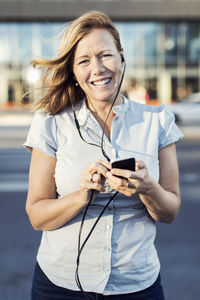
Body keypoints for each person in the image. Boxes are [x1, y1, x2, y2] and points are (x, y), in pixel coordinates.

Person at [24, 10, 183, 300]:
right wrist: (81, 196)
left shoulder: (158, 121)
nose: (97, 68)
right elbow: (36, 215)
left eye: (105, 55)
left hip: (137, 286)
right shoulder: (51, 122)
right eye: (84, 61)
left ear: (121, 56)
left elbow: (170, 212)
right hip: (59, 287)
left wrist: (147, 188)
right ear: (73, 71)